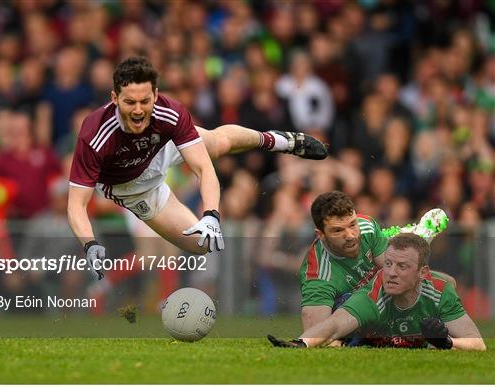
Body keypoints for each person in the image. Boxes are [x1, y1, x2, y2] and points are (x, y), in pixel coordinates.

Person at [68, 56, 328, 280]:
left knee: (217, 143)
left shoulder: (170, 113)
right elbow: (76, 205)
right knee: (200, 245)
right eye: (129, 103)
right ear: (115, 99)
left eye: (145, 101)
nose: (138, 111)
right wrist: (89, 244)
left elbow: (204, 168)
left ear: (156, 95)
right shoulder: (94, 135)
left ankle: (280, 140)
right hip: (135, 189)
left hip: (160, 148)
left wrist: (211, 215)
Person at [268, 233, 486, 351]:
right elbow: (334, 324)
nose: (390, 273)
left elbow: (477, 343)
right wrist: (301, 343)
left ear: (423, 273)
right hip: (362, 339)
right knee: (344, 331)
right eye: (388, 263)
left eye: (402, 267)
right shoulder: (375, 294)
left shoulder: (440, 293)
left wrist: (447, 342)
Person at [298, 191, 449, 331]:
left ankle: (433, 334)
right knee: (348, 301)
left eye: (352, 224)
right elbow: (316, 334)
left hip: (382, 296)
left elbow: (392, 270)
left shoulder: (366, 226)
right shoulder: (317, 274)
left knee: (447, 284)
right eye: (338, 230)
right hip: (353, 319)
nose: (350, 235)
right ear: (321, 234)